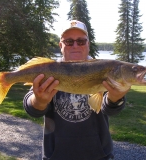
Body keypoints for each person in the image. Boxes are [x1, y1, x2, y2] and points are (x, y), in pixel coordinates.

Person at [23, 20, 130, 160]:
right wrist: (39, 101)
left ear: (88, 45)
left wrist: (115, 98)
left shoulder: (104, 70)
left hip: (99, 156)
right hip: (56, 156)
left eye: (80, 41)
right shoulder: (50, 70)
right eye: (68, 41)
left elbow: (109, 109)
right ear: (61, 45)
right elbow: (32, 109)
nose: (75, 46)